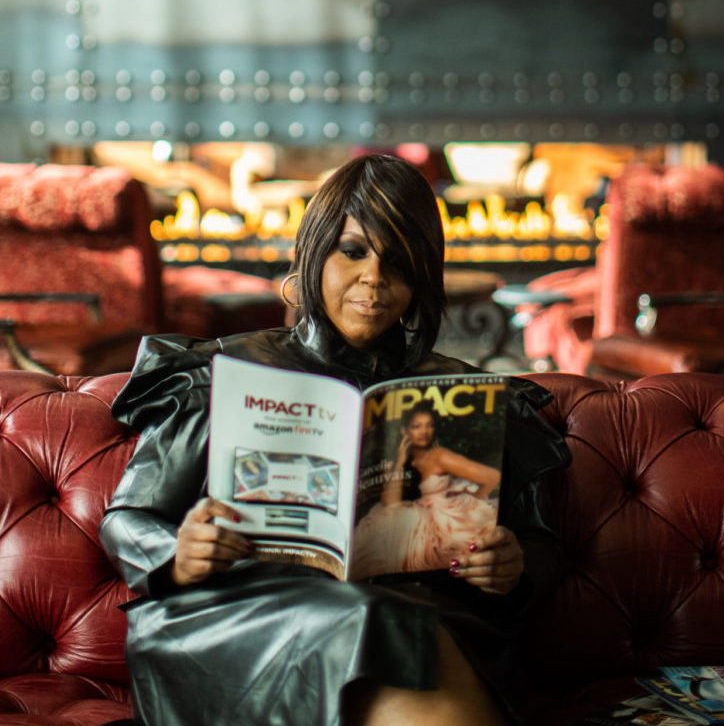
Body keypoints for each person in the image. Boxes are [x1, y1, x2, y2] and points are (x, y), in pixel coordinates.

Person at [99, 153, 570, 726]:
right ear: (315, 253)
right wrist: (181, 550)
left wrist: (511, 565)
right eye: (353, 251)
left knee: (392, 621)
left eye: (398, 261)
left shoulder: (466, 397)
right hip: (238, 616)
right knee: (381, 623)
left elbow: (540, 547)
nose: (374, 277)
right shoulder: (222, 373)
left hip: (418, 614)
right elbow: (126, 519)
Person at [352, 400, 503, 576]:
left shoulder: (439, 456)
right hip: (406, 523)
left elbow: (493, 477)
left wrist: (472, 502)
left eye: (429, 426)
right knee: (379, 527)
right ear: (405, 431)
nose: (424, 432)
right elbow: (389, 503)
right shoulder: (395, 460)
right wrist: (400, 461)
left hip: (441, 522)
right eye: (417, 426)